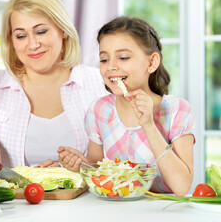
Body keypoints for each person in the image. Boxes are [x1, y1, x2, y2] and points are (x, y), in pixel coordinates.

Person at [0, 0, 108, 173]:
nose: (33, 44)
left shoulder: (100, 83)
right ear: (11, 41)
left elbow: (126, 160)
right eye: (21, 36)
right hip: (12, 202)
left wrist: (85, 167)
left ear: (63, 30)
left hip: (85, 201)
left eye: (41, 31)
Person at [58, 16, 195, 197]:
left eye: (123, 57)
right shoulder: (99, 111)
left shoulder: (177, 110)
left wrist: (148, 124)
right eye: (104, 59)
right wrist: (80, 166)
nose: (111, 66)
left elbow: (182, 186)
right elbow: (98, 176)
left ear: (152, 62)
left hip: (163, 210)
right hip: (114, 209)